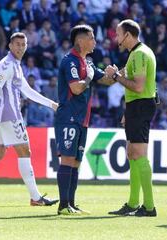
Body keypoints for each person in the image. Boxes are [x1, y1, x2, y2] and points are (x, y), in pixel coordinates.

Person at [0, 32, 59, 207]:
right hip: (9, 115)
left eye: (23, 44)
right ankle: (36, 197)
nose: (21, 47)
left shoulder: (16, 65)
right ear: (10, 46)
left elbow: (27, 91)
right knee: (25, 151)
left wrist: (51, 104)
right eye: (17, 44)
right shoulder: (6, 64)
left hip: (4, 116)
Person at [55, 24, 115, 215]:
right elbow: (76, 88)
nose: (95, 41)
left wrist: (116, 74)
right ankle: (63, 205)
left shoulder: (87, 63)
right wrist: (89, 78)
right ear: (80, 40)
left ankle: (71, 203)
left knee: (76, 161)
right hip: (69, 117)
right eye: (91, 38)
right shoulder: (70, 61)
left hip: (83, 119)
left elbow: (105, 79)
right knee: (67, 159)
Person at [105, 19, 157, 217]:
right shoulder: (137, 54)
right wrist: (128, 110)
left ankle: (149, 206)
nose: (116, 37)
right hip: (137, 106)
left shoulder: (139, 54)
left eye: (118, 34)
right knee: (132, 154)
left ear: (128, 35)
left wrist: (116, 77)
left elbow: (138, 86)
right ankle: (134, 203)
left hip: (141, 105)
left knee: (138, 153)